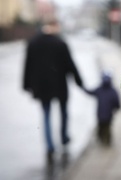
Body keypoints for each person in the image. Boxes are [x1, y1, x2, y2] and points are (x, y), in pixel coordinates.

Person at [22, 19, 83, 155]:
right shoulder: (60, 43)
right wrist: (79, 82)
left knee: (46, 114)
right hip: (60, 85)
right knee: (63, 112)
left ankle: (50, 145)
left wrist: (26, 85)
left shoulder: (33, 42)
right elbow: (70, 65)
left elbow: (27, 65)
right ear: (54, 26)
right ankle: (64, 137)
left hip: (42, 87)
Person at [85, 72, 120, 146]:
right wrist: (117, 107)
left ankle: (102, 140)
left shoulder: (99, 90)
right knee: (107, 128)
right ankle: (107, 141)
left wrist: (82, 87)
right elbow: (117, 102)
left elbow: (90, 92)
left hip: (100, 114)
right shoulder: (113, 91)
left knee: (101, 127)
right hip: (108, 115)